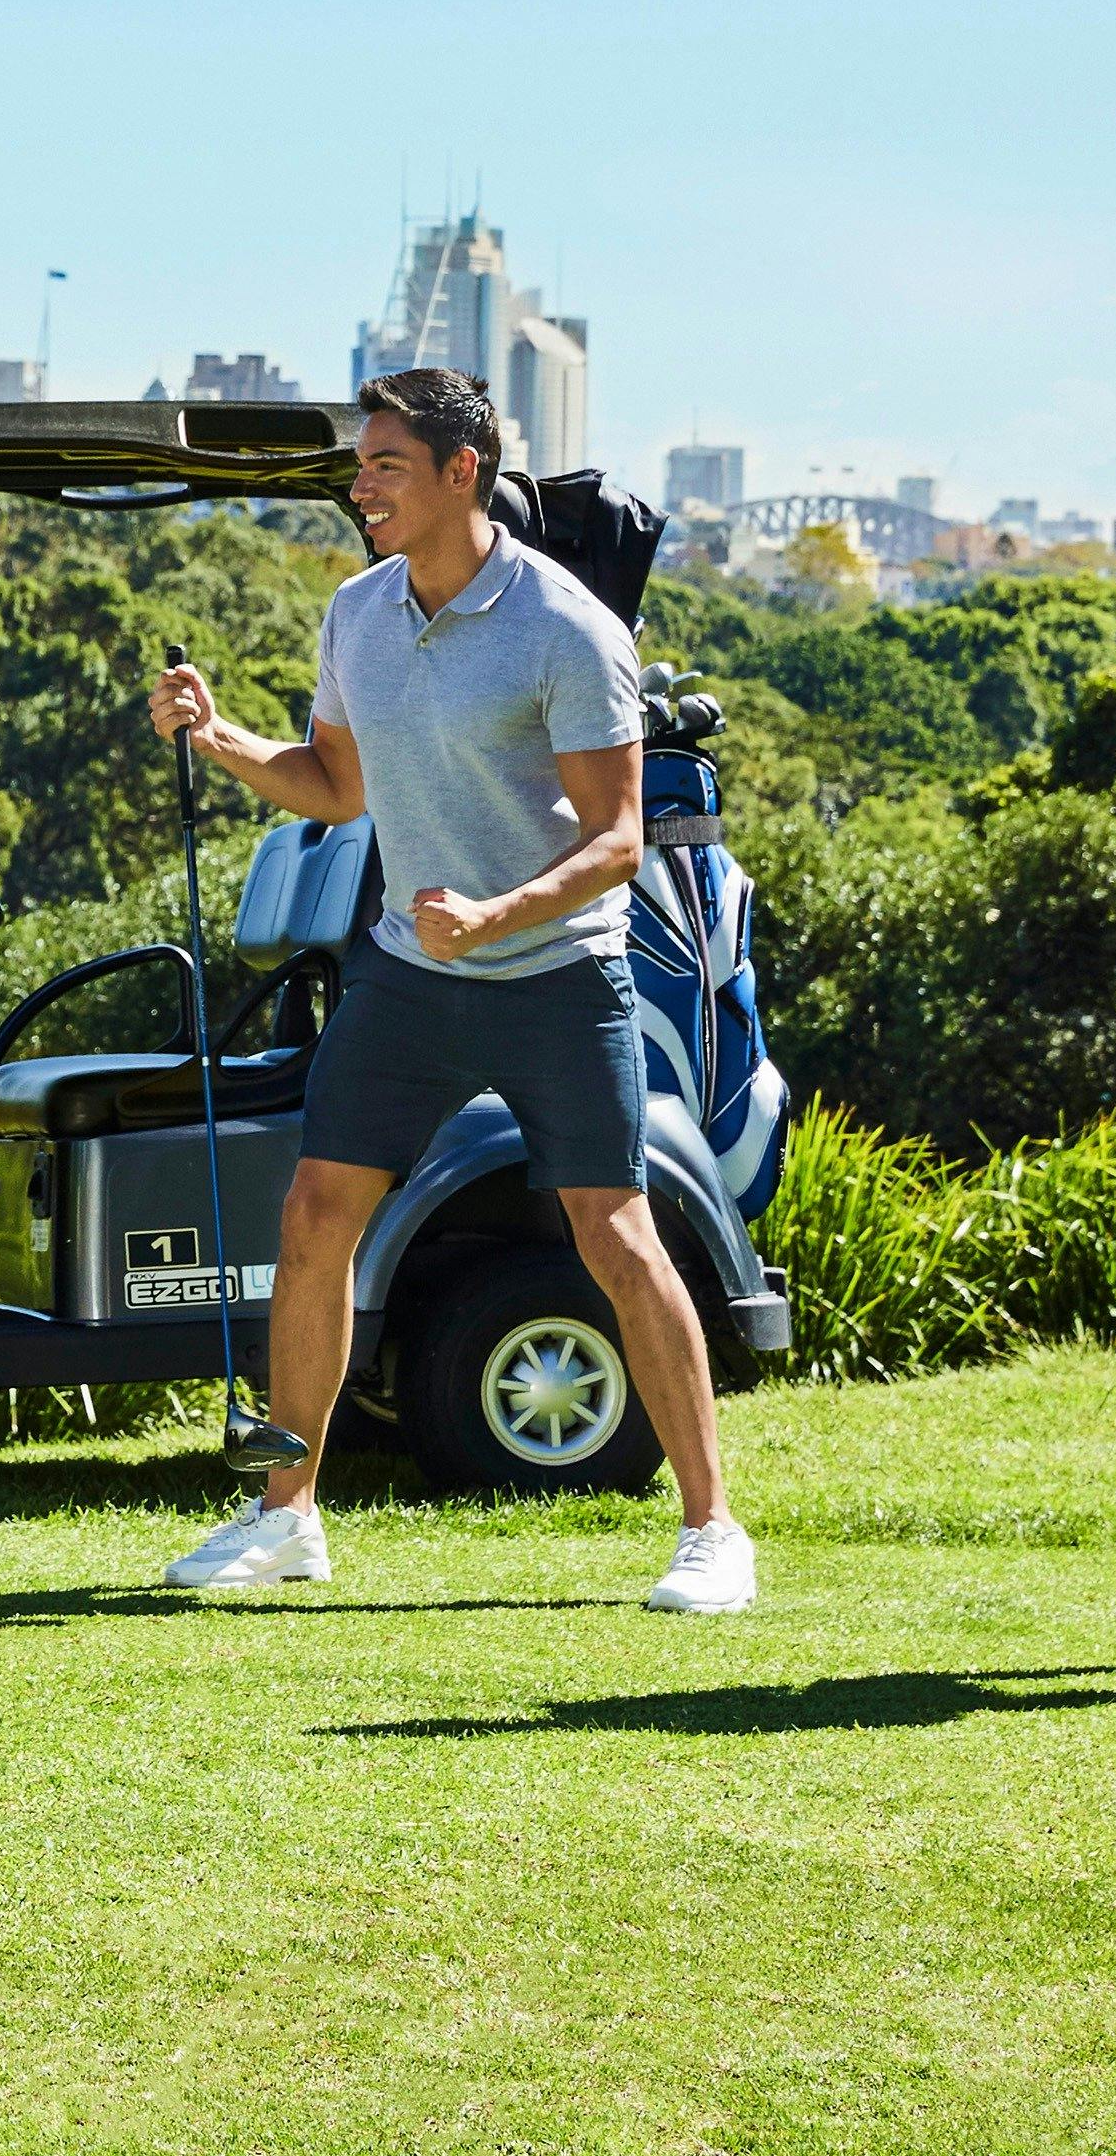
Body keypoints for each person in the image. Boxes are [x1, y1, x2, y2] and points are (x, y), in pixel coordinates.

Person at [143, 366, 753, 1612]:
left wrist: (497, 912)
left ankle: (711, 1529)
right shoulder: (358, 613)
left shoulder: (568, 626)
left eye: (385, 466)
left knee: (615, 1235)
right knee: (316, 1216)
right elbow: (334, 785)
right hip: (411, 974)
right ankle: (287, 1514)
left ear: (462, 471)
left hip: (555, 972)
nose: (360, 486)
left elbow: (619, 837)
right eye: (360, 466)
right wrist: (219, 735)